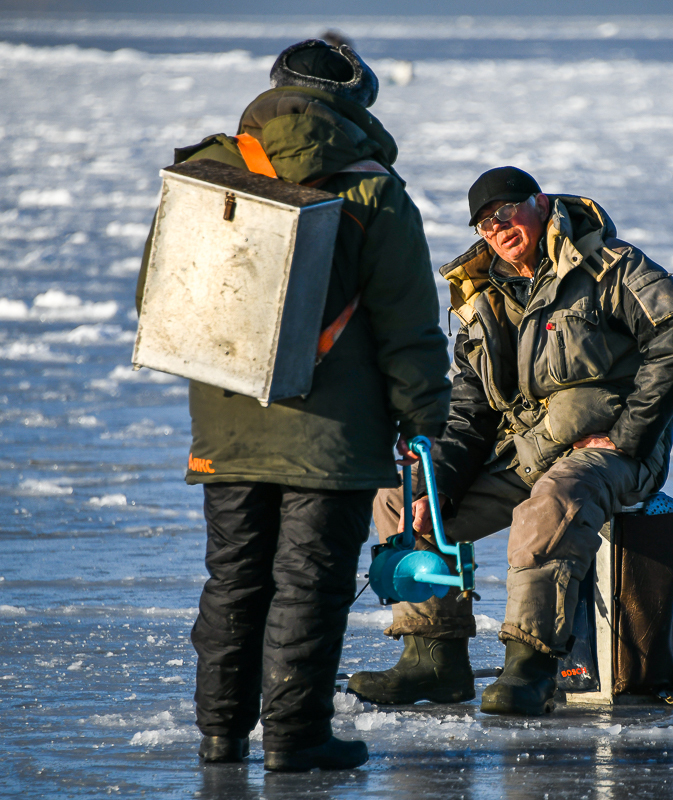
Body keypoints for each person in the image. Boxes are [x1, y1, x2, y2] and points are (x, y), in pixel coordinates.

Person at [135, 40, 450, 769]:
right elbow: (408, 329)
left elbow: (159, 295)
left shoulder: (207, 170)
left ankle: (219, 734)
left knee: (235, 576)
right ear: (357, 99)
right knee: (308, 583)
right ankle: (295, 737)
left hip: (227, 418)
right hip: (334, 436)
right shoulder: (374, 189)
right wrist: (424, 421)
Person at [348, 167, 673, 715]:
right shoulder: (482, 298)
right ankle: (433, 659)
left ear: (539, 203)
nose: (498, 229)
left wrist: (629, 436)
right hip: (522, 453)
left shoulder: (611, 265)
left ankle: (531, 666)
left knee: (551, 502)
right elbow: (469, 412)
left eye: (506, 213)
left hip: (610, 452)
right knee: (402, 500)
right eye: (485, 224)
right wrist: (437, 491)